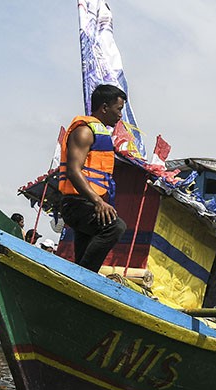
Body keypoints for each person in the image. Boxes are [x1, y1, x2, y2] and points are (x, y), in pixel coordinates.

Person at [58, 84, 128, 272]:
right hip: (75, 204)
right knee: (115, 227)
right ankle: (84, 278)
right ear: (105, 108)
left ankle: (78, 283)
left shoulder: (99, 133)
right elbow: (74, 171)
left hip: (87, 203)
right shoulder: (84, 131)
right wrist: (98, 202)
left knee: (84, 254)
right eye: (118, 109)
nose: (120, 115)